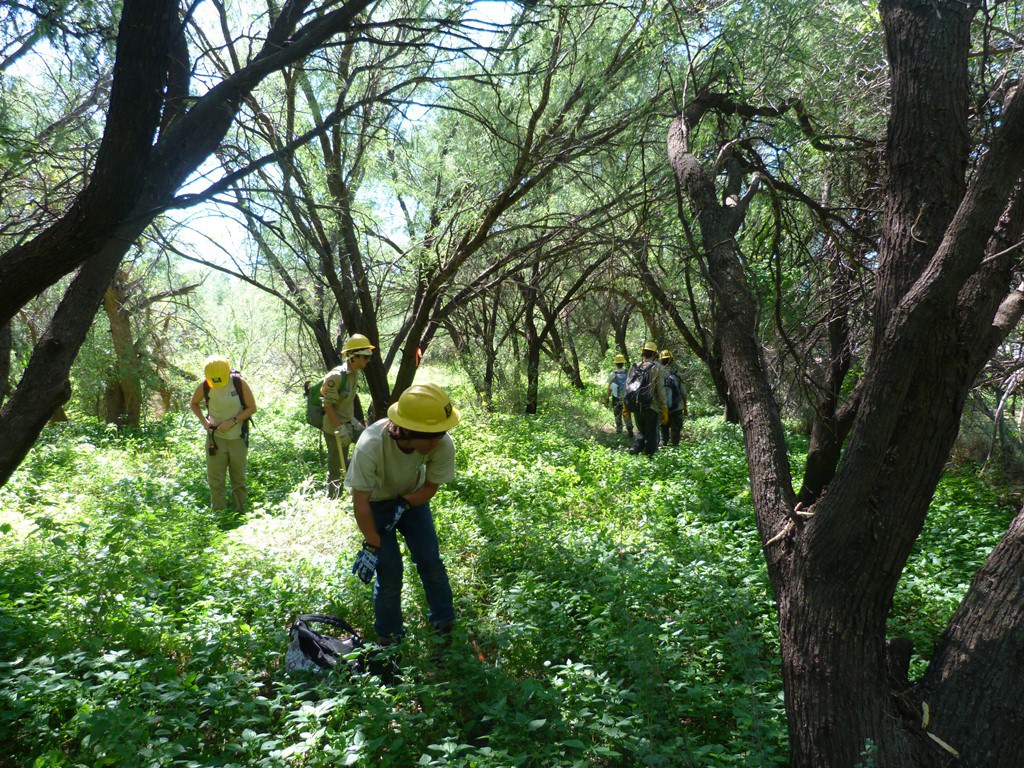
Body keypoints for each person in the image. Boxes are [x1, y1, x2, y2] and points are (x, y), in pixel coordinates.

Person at [347, 382, 461, 645]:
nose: (438, 440)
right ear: (409, 431)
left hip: (413, 498)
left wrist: (404, 503)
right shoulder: (371, 445)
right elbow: (360, 500)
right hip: (374, 504)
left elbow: (430, 486)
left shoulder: (441, 442)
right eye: (431, 434)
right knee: (389, 571)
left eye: (441, 432)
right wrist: (372, 543)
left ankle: (443, 621)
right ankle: (389, 636)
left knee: (430, 559)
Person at [189, 356, 257, 514]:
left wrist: (233, 421)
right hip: (215, 439)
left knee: (238, 480)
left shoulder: (239, 383)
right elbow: (194, 403)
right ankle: (220, 515)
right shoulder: (206, 385)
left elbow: (251, 408)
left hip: (238, 438)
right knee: (216, 480)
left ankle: (240, 513)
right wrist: (205, 423)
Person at [321, 333, 375, 498]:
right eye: (365, 357)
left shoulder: (355, 373)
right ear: (353, 356)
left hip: (349, 422)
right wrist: (340, 428)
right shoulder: (336, 376)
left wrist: (353, 424)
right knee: (336, 467)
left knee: (370, 448)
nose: (368, 361)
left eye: (368, 357)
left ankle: (359, 482)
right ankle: (333, 500)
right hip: (335, 426)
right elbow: (327, 404)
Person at [624, 342, 667, 456]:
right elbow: (661, 390)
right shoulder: (657, 368)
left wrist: (626, 407)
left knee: (642, 431)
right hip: (652, 407)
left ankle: (636, 447)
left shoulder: (634, 366)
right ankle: (649, 459)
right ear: (654, 355)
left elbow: (627, 387)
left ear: (642, 353)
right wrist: (664, 409)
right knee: (651, 435)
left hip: (637, 406)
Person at [659, 350, 688, 446]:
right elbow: (684, 393)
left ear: (660, 361)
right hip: (677, 407)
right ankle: (675, 447)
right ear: (671, 361)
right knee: (676, 430)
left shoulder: (657, 375)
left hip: (662, 408)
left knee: (664, 429)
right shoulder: (677, 374)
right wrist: (685, 408)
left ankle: (664, 445)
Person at [604, 353, 634, 438]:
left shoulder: (613, 374)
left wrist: (607, 398)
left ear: (616, 364)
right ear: (623, 363)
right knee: (626, 414)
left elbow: (610, 387)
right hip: (626, 398)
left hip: (616, 398)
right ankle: (630, 430)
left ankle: (619, 431)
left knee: (617, 414)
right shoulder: (627, 373)